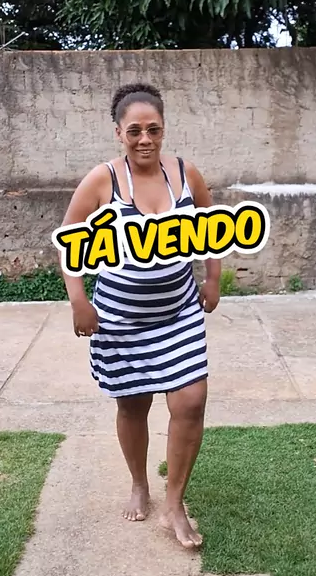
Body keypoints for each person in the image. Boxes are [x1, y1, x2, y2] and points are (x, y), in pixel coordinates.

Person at [59, 82, 221, 549]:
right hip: (120, 320)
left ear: (164, 129)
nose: (145, 139)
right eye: (134, 131)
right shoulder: (102, 180)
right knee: (133, 404)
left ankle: (174, 505)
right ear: (119, 132)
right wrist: (79, 300)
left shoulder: (186, 173)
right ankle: (138, 483)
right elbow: (70, 239)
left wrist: (212, 278)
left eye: (154, 129)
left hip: (179, 313)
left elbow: (213, 227)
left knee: (190, 402)